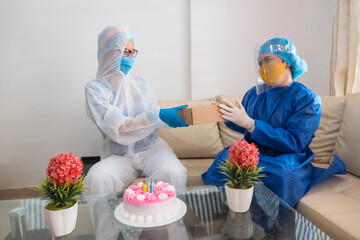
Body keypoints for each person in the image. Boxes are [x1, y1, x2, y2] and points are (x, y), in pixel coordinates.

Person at [202, 37, 346, 207]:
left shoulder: (308, 99)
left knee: (281, 175)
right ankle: (223, 215)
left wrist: (251, 124)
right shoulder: (254, 93)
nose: (263, 68)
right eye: (260, 63)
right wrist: (226, 115)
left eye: (268, 60)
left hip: (286, 158)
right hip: (254, 153)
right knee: (224, 159)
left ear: (287, 62)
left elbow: (295, 142)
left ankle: (272, 227)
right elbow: (243, 123)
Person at [85, 26, 188, 194]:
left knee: (173, 172)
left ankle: (170, 220)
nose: (130, 57)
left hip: (151, 150)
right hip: (119, 156)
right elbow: (119, 129)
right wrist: (159, 115)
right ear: (108, 53)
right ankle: (106, 221)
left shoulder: (140, 83)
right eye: (124, 52)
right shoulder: (95, 89)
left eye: (132, 52)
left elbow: (152, 117)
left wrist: (168, 118)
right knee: (97, 177)